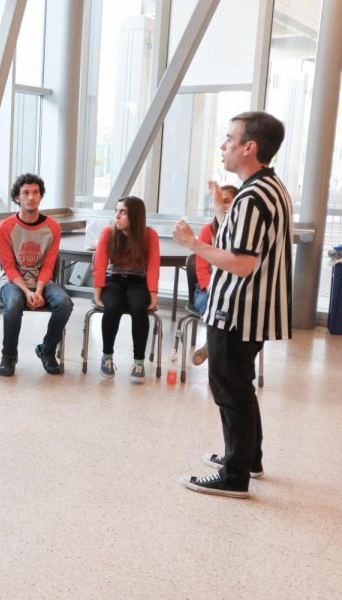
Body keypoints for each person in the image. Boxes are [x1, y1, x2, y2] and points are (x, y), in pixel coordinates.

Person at [174, 111, 292, 498]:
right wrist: (222, 210)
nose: (223, 146)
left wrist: (194, 245)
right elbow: (244, 241)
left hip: (238, 310)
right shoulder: (268, 187)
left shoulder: (252, 197)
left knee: (230, 389)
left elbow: (242, 263)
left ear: (249, 147)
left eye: (229, 138)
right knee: (239, 385)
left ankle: (234, 474)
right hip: (254, 310)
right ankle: (247, 459)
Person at [0, 173, 73, 376]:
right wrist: (26, 292)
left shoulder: (53, 227)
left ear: (41, 196)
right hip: (13, 281)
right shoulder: (4, 228)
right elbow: (9, 267)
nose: (31, 197)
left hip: (42, 281)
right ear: (17, 198)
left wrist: (37, 290)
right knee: (13, 304)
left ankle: (46, 351)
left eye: (36, 192)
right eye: (26, 193)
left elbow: (48, 265)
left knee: (64, 303)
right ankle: (8, 356)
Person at [93, 196, 160, 381]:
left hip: (138, 281)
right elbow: (99, 264)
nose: (117, 216)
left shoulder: (149, 235)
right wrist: (97, 293)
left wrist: (153, 296)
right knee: (112, 307)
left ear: (135, 215)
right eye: (117, 211)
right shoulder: (108, 233)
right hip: (113, 280)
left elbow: (154, 265)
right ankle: (107, 357)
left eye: (122, 212)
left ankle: (139, 362)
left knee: (139, 308)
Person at [189, 183, 237, 365]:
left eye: (227, 201)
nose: (223, 206)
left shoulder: (241, 233)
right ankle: (218, 355)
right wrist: (214, 291)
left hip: (232, 293)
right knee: (218, 310)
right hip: (206, 291)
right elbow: (201, 268)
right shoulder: (207, 231)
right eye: (220, 201)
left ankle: (212, 348)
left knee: (233, 311)